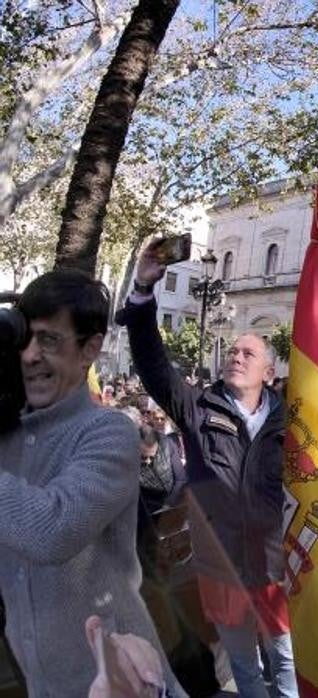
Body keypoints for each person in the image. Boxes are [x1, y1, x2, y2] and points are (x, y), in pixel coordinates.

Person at [119, 243, 296, 698]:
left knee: (288, 662)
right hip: (222, 568)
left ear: (270, 374)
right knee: (244, 667)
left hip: (277, 565)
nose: (236, 356)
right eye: (233, 351)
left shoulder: (294, 420)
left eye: (248, 354)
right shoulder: (198, 406)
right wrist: (142, 291)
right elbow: (154, 366)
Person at [0, 270, 183, 696]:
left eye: (48, 340)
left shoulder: (109, 432)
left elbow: (51, 530)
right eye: (24, 339)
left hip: (124, 681)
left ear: (90, 349)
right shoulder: (6, 432)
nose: (29, 356)